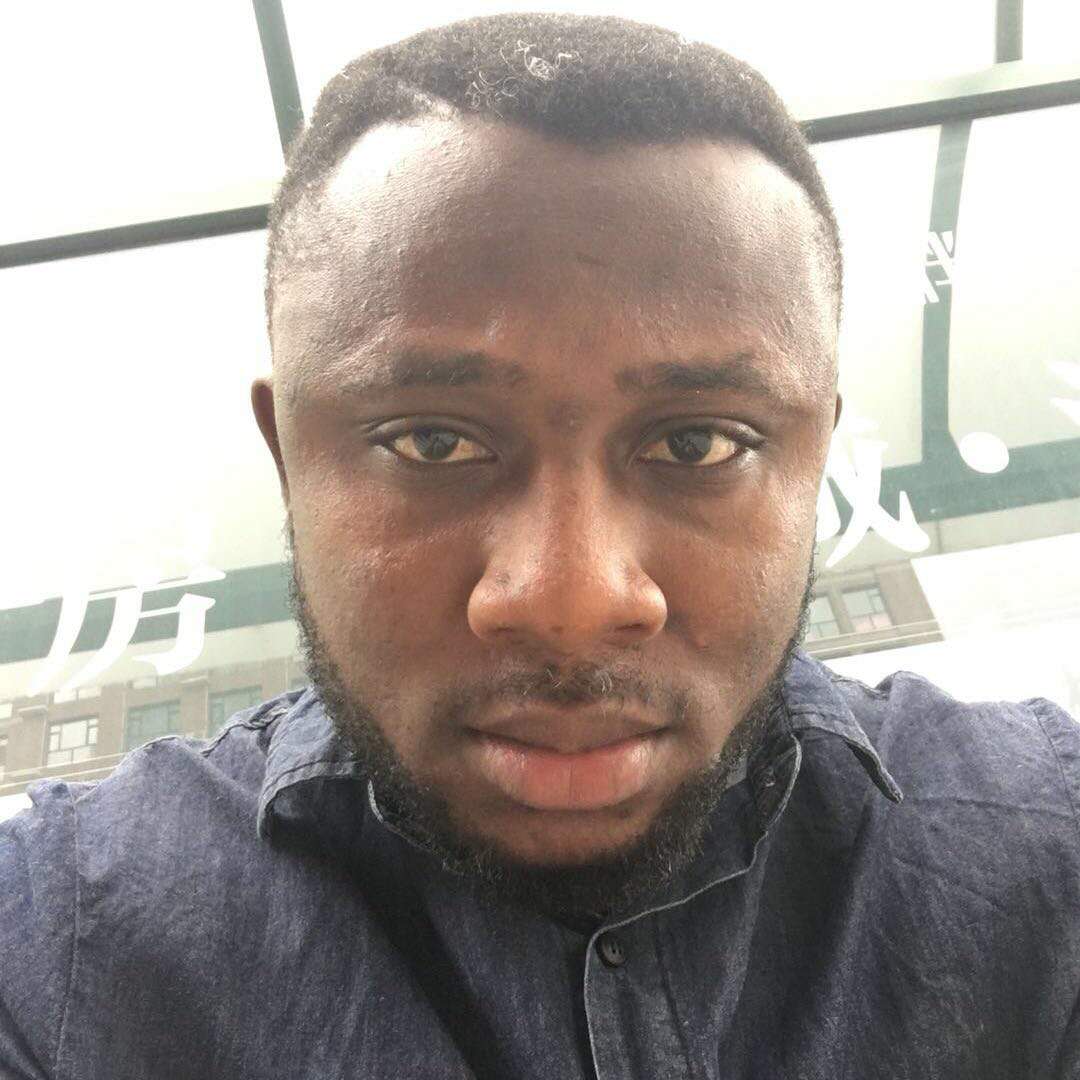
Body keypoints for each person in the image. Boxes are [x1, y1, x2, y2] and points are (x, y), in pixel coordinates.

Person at [2, 12, 1078, 1079]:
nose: (571, 601)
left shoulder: (1048, 846)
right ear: (288, 457)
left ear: (815, 460)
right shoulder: (59, 949)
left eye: (699, 442)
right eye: (431, 441)